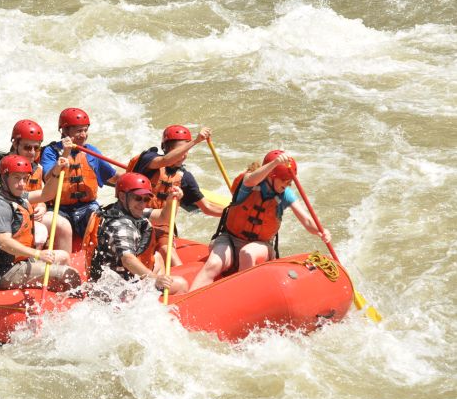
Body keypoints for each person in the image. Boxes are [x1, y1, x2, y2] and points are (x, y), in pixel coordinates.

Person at [189, 150, 332, 290]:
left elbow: (306, 221)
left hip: (260, 246)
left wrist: (321, 231)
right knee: (213, 264)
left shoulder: (286, 194)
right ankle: (185, 303)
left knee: (247, 253)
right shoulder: (249, 184)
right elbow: (249, 179)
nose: (287, 184)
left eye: (289, 181)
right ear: (271, 175)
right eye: (283, 179)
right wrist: (275, 163)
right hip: (230, 239)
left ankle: (241, 297)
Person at [0, 155, 81, 291]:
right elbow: (4, 242)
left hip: (23, 261)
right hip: (7, 272)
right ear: (3, 178)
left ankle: (57, 296)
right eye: (16, 178)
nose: (22, 184)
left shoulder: (18, 197)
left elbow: (46, 194)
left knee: (63, 256)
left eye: (25, 178)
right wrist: (38, 254)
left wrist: (56, 171)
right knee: (69, 274)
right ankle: (67, 308)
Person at [129, 124, 223, 267]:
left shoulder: (185, 177)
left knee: (171, 257)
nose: (183, 154)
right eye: (179, 149)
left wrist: (234, 211)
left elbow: (207, 207)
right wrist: (195, 141)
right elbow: (165, 161)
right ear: (165, 148)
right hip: (136, 217)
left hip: (162, 225)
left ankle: (184, 285)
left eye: (186, 150)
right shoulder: (149, 159)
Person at [83, 172, 189, 295]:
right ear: (122, 196)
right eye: (138, 198)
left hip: (109, 280)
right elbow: (128, 260)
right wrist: (155, 279)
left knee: (158, 258)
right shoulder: (121, 225)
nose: (142, 204)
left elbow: (164, 217)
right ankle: (157, 304)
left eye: (146, 199)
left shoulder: (124, 210)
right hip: (116, 291)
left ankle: (154, 297)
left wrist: (171, 201)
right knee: (181, 284)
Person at [0, 119, 72, 252]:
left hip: (28, 214)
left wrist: (42, 206)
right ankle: (33, 264)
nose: (32, 152)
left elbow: (41, 195)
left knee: (63, 225)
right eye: (27, 147)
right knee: (40, 232)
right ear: (15, 144)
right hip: (4, 223)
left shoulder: (35, 167)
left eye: (36, 148)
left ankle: (61, 268)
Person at [40, 108, 118, 240]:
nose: (83, 135)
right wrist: (65, 153)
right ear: (64, 131)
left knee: (104, 225)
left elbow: (113, 178)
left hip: (88, 207)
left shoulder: (92, 151)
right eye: (78, 131)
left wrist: (140, 177)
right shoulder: (51, 151)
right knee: (49, 223)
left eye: (85, 130)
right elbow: (48, 178)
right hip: (60, 208)